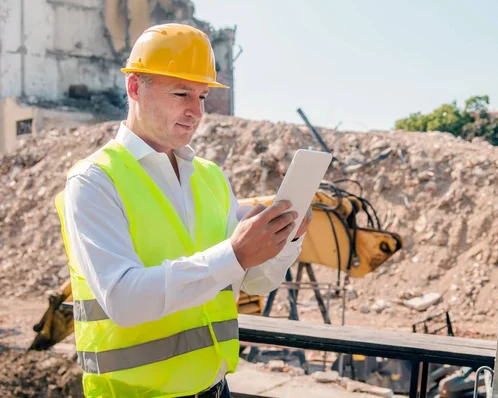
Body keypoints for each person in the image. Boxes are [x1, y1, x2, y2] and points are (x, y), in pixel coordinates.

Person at [55, 23, 312, 398]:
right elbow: (124, 302)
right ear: (134, 88)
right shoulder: (95, 181)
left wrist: (285, 240)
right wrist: (234, 253)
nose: (197, 111)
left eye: (203, 96)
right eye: (181, 93)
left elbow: (253, 282)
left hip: (215, 388)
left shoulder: (210, 178)